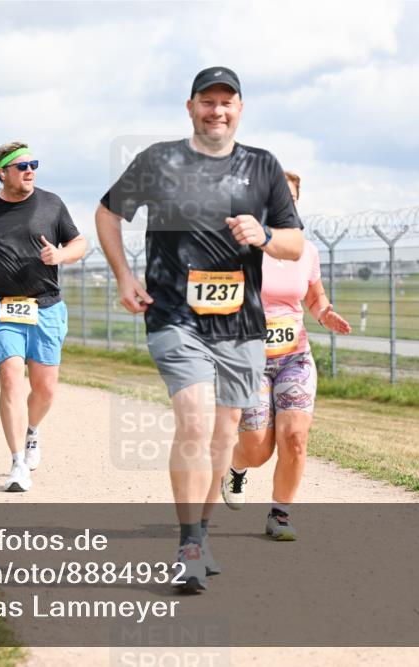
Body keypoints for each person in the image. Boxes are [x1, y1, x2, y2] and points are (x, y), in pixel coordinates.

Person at [96, 67, 304, 591]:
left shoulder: (263, 166)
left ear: (240, 108)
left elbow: (294, 245)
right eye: (207, 102)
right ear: (190, 107)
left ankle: (203, 532)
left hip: (241, 323)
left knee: (223, 434)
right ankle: (188, 543)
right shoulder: (158, 160)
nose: (217, 111)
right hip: (173, 313)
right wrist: (124, 275)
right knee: (193, 419)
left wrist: (263, 235)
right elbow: (106, 214)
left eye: (226, 102)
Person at [220, 170, 352, 540]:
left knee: (295, 436)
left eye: (288, 198)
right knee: (258, 451)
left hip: (295, 355)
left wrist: (326, 313)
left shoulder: (306, 251)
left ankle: (280, 515)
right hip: (249, 360)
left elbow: (314, 296)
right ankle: (236, 466)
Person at [0, 141, 86, 493]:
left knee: (44, 388)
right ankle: (16, 464)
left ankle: (32, 433)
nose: (30, 170)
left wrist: (60, 256)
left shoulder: (51, 203)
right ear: (3, 172)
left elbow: (80, 243)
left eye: (34, 163)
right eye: (22, 165)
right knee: (12, 378)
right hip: (2, 306)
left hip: (47, 306)